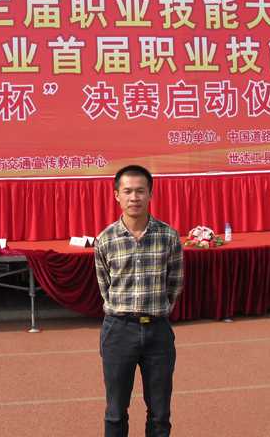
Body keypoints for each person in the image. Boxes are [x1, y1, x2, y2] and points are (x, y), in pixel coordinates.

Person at [94, 164, 184, 437]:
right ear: (117, 196)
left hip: (158, 331)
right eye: (128, 191)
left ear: (150, 194)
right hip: (118, 331)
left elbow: (174, 283)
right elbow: (105, 286)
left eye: (140, 191)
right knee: (115, 412)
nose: (134, 197)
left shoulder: (168, 236)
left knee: (160, 413)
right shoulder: (105, 239)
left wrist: (157, 311)